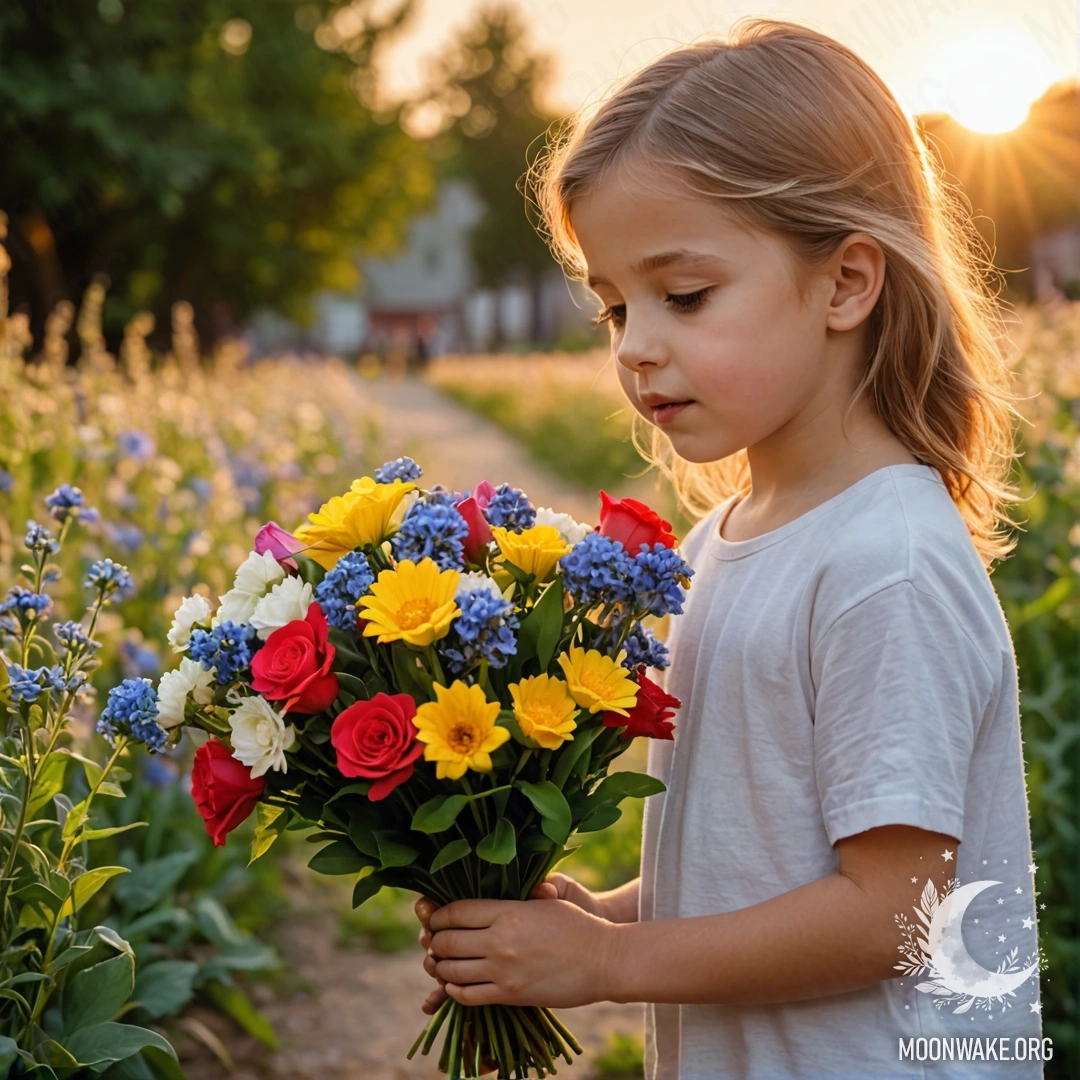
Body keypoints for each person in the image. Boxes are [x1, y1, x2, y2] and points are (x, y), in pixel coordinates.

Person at [414, 17, 1045, 1078]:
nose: (635, 346)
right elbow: (757, 861)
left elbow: (893, 914)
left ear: (847, 283)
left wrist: (613, 960)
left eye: (686, 295)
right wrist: (593, 919)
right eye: (615, 306)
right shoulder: (720, 542)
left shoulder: (886, 561)